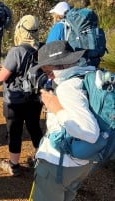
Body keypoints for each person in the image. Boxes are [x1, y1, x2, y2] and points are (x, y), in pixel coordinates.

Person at [30, 40, 99, 201]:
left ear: (61, 65)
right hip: (82, 162)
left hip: (59, 164)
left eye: (47, 71)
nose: (48, 77)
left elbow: (90, 132)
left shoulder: (68, 88)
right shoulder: (87, 75)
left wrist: (56, 109)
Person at [0, 15, 43, 176]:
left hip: (15, 101)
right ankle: (41, 160)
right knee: (35, 129)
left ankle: (13, 165)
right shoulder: (42, 49)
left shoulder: (16, 51)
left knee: (14, 131)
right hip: (35, 99)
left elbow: (2, 77)